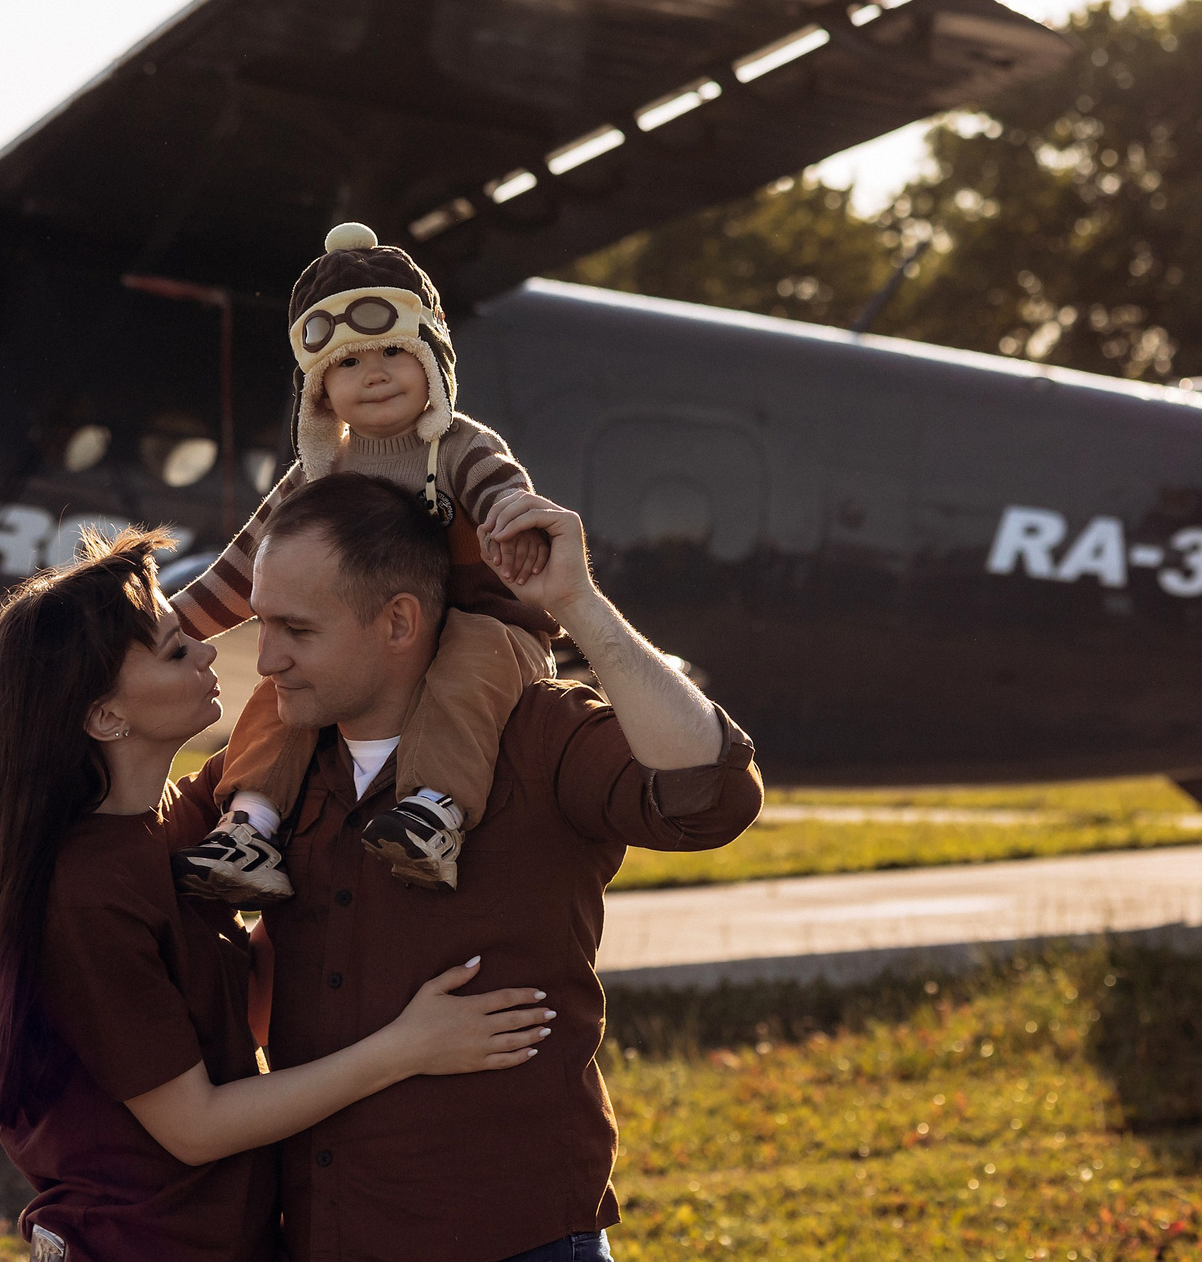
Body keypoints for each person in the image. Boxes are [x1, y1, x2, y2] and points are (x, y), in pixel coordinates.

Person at [0, 526, 558, 1262]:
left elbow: (234, 1023)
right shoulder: (84, 892)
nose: (210, 650)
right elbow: (195, 1123)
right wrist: (409, 1046)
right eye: (173, 649)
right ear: (104, 716)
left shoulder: (168, 834)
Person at [172, 474, 764, 1262]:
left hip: (514, 1239)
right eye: (263, 620)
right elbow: (130, 866)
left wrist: (579, 604)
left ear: (399, 622)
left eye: (297, 628)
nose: (267, 655)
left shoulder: (538, 732)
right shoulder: (267, 762)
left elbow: (710, 797)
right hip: (323, 1232)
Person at [171, 222, 555, 898]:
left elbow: (506, 495)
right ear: (319, 390)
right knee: (284, 691)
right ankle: (251, 825)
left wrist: (517, 530)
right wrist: (171, 624)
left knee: (472, 660)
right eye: (346, 363)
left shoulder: (460, 447)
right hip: (367, 649)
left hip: (486, 626)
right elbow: (244, 563)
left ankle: (437, 810)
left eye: (392, 352)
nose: (372, 373)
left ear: (433, 359)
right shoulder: (320, 471)